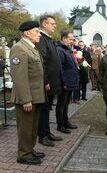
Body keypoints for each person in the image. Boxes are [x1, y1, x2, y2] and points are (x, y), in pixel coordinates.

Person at [10, 21, 46, 165]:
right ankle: (24, 155)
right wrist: (26, 100)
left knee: (32, 127)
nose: (39, 35)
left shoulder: (31, 48)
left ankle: (29, 149)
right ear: (27, 33)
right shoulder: (19, 49)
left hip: (35, 96)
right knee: (25, 128)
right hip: (27, 97)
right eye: (36, 31)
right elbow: (19, 78)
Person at [36, 14, 63, 147]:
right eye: (52, 24)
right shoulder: (41, 39)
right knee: (43, 109)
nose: (55, 26)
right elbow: (42, 62)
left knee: (47, 109)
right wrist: (45, 81)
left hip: (52, 83)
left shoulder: (48, 39)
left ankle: (47, 132)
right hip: (46, 83)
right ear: (44, 24)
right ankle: (42, 135)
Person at [55, 30, 79, 134]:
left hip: (70, 82)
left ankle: (66, 121)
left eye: (73, 39)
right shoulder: (60, 50)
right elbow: (60, 68)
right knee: (61, 104)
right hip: (64, 84)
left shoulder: (67, 49)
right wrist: (64, 83)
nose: (72, 41)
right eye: (70, 39)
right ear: (64, 38)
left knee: (66, 104)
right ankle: (60, 125)